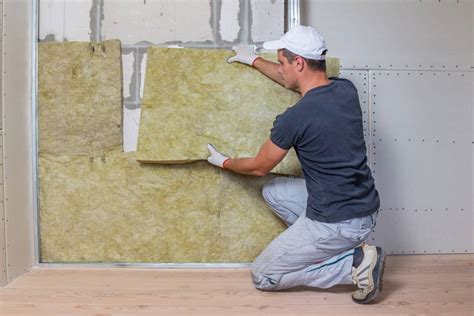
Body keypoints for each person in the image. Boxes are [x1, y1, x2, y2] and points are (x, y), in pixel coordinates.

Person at [206, 25, 385, 304]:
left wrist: (224, 162)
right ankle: (328, 247)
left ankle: (353, 265)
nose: (280, 69)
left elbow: (258, 167)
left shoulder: (295, 118)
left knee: (264, 276)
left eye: (282, 62)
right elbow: (292, 79)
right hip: (364, 208)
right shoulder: (345, 90)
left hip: (337, 221)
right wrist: (252, 59)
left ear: (299, 63)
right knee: (273, 191)